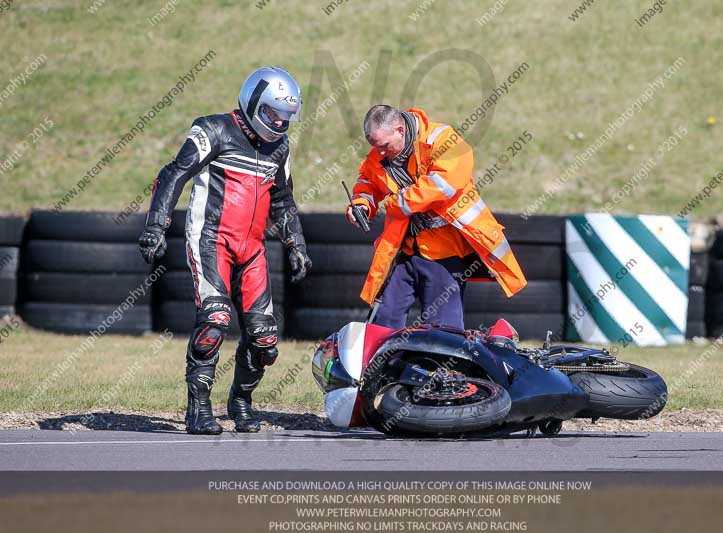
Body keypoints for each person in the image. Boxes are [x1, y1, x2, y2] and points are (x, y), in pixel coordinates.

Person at [138, 67, 312, 435]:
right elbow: (173, 173)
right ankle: (198, 408)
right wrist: (156, 225)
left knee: (264, 337)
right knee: (214, 321)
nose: (279, 123)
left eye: (285, 117)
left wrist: (296, 243)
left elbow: (283, 200)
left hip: (253, 250)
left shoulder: (279, 148)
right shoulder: (212, 129)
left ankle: (241, 402)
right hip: (210, 240)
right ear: (252, 101)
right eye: (272, 113)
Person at [345, 105, 526, 329]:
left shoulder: (443, 139)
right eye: (374, 146)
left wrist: (397, 204)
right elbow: (367, 183)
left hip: (444, 253)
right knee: (382, 323)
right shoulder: (380, 155)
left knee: (443, 333)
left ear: (400, 130)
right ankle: (385, 364)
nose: (379, 152)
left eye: (383, 146)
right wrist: (361, 205)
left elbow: (445, 185)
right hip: (403, 251)